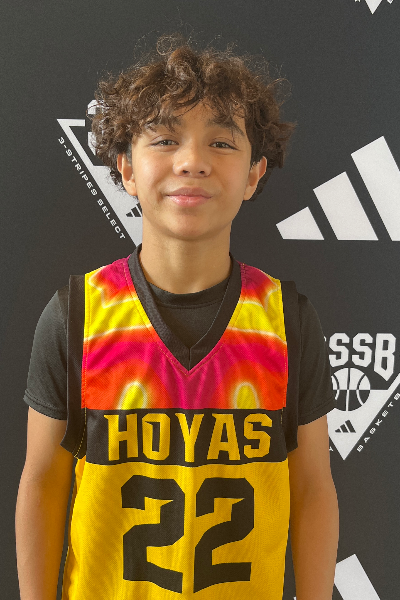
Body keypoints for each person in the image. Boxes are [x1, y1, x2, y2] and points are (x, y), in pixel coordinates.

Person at [15, 34, 339, 600]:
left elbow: (311, 487)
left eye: (222, 142)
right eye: (165, 139)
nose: (192, 161)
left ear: (254, 174)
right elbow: (42, 483)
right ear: (126, 169)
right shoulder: (78, 315)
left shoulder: (286, 321)